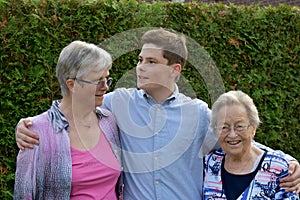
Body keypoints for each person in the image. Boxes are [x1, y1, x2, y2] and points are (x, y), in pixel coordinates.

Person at [15, 29, 300, 199]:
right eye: (139, 60)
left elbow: (235, 138)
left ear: (175, 70)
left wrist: (285, 160)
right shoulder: (116, 105)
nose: (140, 67)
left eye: (151, 61)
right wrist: (27, 126)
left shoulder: (199, 113)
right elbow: (72, 104)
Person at [14, 41, 122, 199]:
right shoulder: (37, 131)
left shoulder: (109, 121)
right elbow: (24, 193)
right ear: (72, 85)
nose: (105, 87)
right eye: (98, 81)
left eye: (107, 79)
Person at [203, 90, 299, 199]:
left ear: (253, 128)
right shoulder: (210, 163)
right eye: (224, 127)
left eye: (240, 126)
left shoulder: (280, 170)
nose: (232, 134)